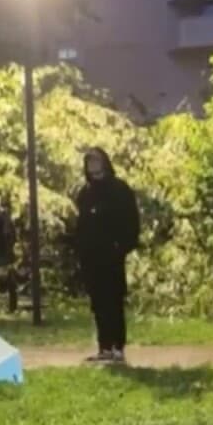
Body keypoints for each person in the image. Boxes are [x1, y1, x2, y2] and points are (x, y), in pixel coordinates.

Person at [73, 147, 140, 364]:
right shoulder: (85, 193)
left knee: (113, 300)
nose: (93, 166)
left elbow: (131, 220)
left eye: (96, 161)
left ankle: (117, 347)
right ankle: (104, 346)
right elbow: (81, 225)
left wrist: (121, 246)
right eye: (89, 162)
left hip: (111, 255)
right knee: (98, 302)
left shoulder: (119, 190)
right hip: (91, 256)